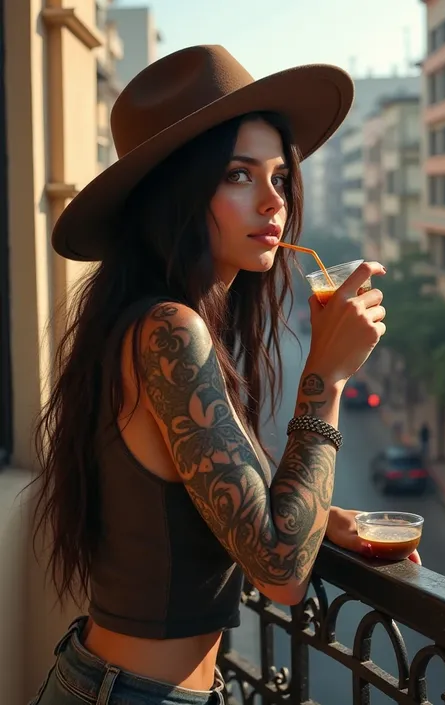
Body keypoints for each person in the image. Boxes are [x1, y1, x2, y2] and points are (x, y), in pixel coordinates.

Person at [29, 45, 420, 705]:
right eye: (239, 175)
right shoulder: (167, 331)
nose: (273, 201)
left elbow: (227, 502)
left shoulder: (158, 321)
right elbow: (281, 573)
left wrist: (323, 514)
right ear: (177, 191)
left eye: (280, 176)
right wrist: (326, 375)